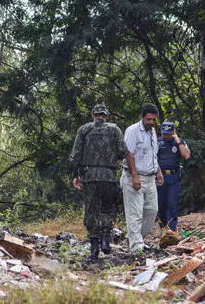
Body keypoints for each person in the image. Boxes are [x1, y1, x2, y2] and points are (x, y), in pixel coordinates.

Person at [69, 104, 128, 261]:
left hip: (90, 177)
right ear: (106, 116)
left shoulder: (84, 129)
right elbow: (123, 151)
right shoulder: (114, 129)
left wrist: (75, 175)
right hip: (109, 176)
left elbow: (75, 155)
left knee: (91, 211)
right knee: (108, 208)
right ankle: (106, 238)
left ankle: (94, 250)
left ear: (93, 115)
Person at [120, 104, 164, 253]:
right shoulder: (133, 131)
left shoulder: (152, 132)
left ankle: (137, 238)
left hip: (150, 177)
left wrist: (159, 172)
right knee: (135, 213)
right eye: (148, 119)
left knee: (152, 210)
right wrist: (135, 176)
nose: (151, 122)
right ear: (142, 117)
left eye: (153, 119)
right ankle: (136, 247)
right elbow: (129, 154)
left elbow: (153, 154)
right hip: (134, 176)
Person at [157, 122, 190, 231]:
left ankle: (172, 228)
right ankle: (162, 226)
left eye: (169, 134)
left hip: (174, 176)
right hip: (160, 176)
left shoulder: (180, 142)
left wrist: (178, 142)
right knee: (161, 204)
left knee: (172, 203)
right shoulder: (157, 142)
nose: (166, 136)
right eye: (164, 134)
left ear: (173, 132)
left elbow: (186, 156)